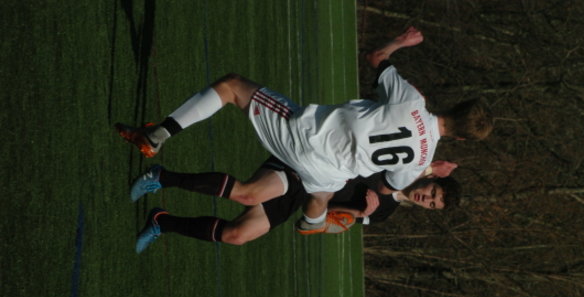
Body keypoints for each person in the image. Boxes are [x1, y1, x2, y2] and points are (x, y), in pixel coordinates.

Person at [115, 26, 492, 234]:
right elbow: (385, 187)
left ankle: (157, 136)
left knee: (231, 87)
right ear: (459, 138)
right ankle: (313, 222)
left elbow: (375, 57)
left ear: (454, 107)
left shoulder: (411, 100)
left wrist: (399, 42)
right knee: (304, 199)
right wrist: (421, 168)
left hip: (306, 136)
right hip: (327, 173)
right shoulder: (421, 162)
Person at [130, 159, 461, 253]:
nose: (427, 199)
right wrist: (427, 167)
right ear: (431, 179)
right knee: (248, 194)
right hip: (300, 169)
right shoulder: (398, 167)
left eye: (432, 205)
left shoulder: (385, 213)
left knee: (237, 235)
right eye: (433, 192)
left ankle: (161, 222)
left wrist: (359, 214)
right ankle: (161, 176)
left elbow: (330, 223)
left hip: (300, 198)